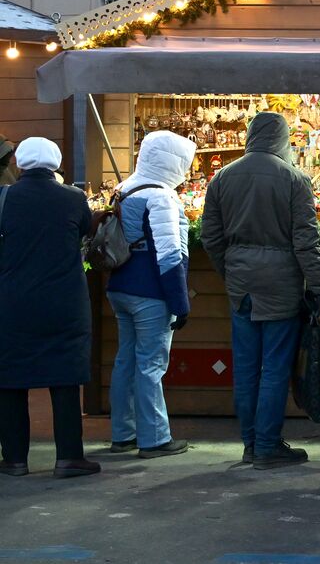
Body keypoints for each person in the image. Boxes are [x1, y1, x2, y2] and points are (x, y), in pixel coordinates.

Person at [202, 112, 320, 470]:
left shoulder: (222, 177)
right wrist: (317, 285)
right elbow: (306, 242)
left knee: (245, 367)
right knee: (274, 367)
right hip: (282, 284)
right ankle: (268, 445)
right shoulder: (294, 178)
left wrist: (230, 271)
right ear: (283, 138)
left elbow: (211, 236)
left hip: (241, 285)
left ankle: (251, 443)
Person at [0, 138, 99, 478]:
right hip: (64, 301)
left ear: (19, 163)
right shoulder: (73, 197)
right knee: (65, 377)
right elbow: (86, 230)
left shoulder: (3, 198)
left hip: (13, 301)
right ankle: (69, 458)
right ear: (56, 163)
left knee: (10, 379)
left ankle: (14, 459)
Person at [105, 130, 196, 459]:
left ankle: (122, 434)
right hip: (150, 292)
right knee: (150, 366)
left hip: (119, 286)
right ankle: (155, 438)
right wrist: (179, 302)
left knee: (125, 361)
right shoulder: (161, 197)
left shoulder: (124, 188)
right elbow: (169, 254)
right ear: (174, 162)